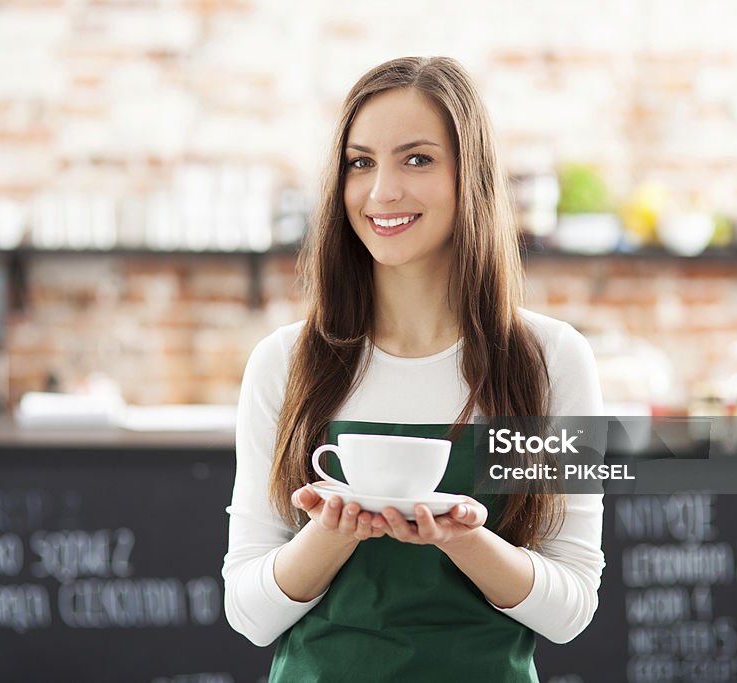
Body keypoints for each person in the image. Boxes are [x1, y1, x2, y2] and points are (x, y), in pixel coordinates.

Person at [222, 56, 605, 682]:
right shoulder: (286, 363)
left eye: (417, 159)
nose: (382, 191)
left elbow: (572, 609)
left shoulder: (550, 360)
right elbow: (248, 614)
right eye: (361, 162)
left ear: (470, 177)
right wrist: (332, 534)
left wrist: (462, 539)